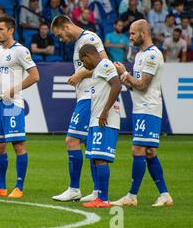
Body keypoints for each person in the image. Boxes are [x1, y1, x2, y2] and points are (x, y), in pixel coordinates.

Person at [112, 19, 174, 207]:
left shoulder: (153, 55)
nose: (130, 36)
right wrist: (124, 79)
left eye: (132, 33)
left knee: (137, 149)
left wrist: (124, 74)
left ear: (143, 34)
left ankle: (131, 196)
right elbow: (135, 87)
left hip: (149, 108)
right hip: (141, 107)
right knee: (149, 152)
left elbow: (143, 84)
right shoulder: (139, 55)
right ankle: (165, 195)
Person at [0, 15, 40, 199]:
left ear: (11, 30)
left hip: (12, 104)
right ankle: (0, 187)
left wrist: (14, 90)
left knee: (18, 144)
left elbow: (35, 76)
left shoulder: (20, 51)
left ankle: (19, 187)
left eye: (0, 29)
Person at [50, 15, 108, 202]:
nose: (60, 39)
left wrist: (81, 73)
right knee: (90, 146)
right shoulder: (78, 43)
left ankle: (74, 189)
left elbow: (105, 65)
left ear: (66, 26)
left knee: (71, 140)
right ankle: (97, 191)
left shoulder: (89, 39)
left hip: (90, 96)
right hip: (86, 96)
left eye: (60, 35)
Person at [78, 44, 122, 208]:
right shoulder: (98, 69)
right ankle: (98, 196)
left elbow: (117, 85)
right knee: (95, 157)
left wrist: (105, 111)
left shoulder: (105, 64)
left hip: (104, 119)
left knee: (101, 159)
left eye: (83, 61)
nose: (84, 65)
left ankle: (103, 199)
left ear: (89, 56)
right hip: (96, 119)